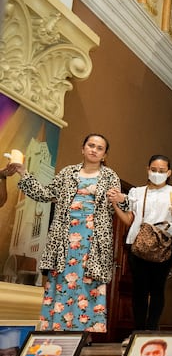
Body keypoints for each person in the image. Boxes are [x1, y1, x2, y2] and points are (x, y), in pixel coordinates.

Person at [8, 134, 122, 333]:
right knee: (62, 279)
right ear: (83, 148)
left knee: (88, 282)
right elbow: (44, 194)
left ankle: (83, 335)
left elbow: (118, 207)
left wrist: (122, 199)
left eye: (99, 148)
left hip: (93, 239)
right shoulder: (67, 173)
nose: (94, 150)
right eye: (91, 145)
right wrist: (23, 172)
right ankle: (56, 330)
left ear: (104, 154)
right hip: (64, 237)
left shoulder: (110, 176)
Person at [113, 155, 172, 342]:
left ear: (169, 173)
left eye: (162, 171)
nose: (157, 174)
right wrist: (116, 204)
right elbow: (130, 220)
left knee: (158, 288)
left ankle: (151, 330)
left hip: (164, 245)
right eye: (154, 170)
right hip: (138, 244)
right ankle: (137, 331)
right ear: (147, 169)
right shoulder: (137, 192)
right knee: (139, 289)